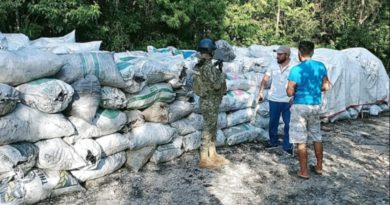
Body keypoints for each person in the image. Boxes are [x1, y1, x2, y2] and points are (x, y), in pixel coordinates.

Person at [286, 41, 330, 179]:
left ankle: (303, 171)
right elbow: (326, 87)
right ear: (312, 52)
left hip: (300, 106)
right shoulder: (321, 67)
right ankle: (319, 167)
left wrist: (295, 90)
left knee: (301, 140)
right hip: (315, 106)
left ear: (299, 53)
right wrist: (315, 89)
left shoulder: (296, 70)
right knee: (317, 137)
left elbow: (289, 92)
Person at [192, 38, 229, 169]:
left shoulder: (200, 65)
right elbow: (217, 85)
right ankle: (204, 158)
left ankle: (212, 154)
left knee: (212, 126)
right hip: (210, 102)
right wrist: (222, 74)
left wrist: (216, 69)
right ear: (210, 51)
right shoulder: (208, 67)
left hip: (206, 100)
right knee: (208, 128)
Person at [256, 45, 294, 154]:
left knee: (288, 124)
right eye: (277, 54)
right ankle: (273, 141)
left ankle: (287, 146)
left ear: (286, 55)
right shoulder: (273, 64)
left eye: (280, 54)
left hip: (288, 100)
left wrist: (294, 97)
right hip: (274, 99)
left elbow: (298, 83)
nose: (277, 56)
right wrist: (260, 92)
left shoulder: (294, 66)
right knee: (273, 122)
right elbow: (265, 78)